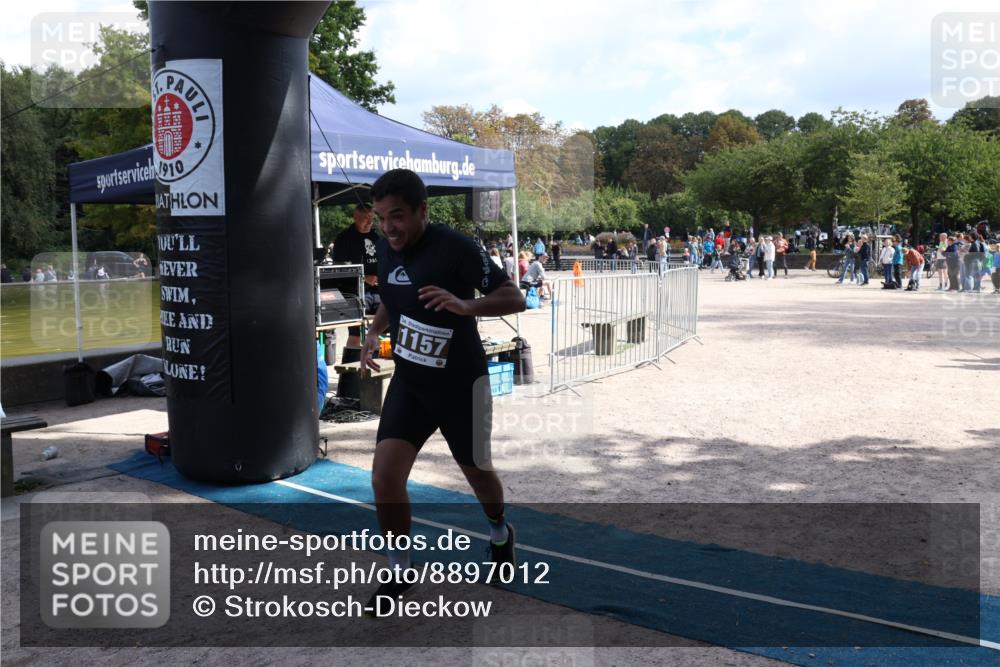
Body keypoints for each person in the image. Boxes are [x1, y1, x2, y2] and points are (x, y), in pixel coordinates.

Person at [360, 169, 525, 610]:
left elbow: (515, 297)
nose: (389, 226)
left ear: (421, 211)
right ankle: (399, 569)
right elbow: (391, 300)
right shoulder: (385, 249)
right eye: (381, 218)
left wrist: (465, 305)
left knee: (479, 475)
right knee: (385, 477)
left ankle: (499, 531)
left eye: (397, 216)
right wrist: (374, 333)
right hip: (411, 385)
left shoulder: (455, 247)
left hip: (460, 385)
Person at [332, 202, 381, 348]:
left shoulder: (377, 237)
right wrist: (364, 278)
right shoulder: (344, 238)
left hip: (378, 292)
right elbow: (339, 269)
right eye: (365, 218)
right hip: (354, 294)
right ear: (355, 217)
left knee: (378, 332)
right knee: (354, 335)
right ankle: (350, 369)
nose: (369, 222)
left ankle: (374, 366)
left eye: (372, 218)